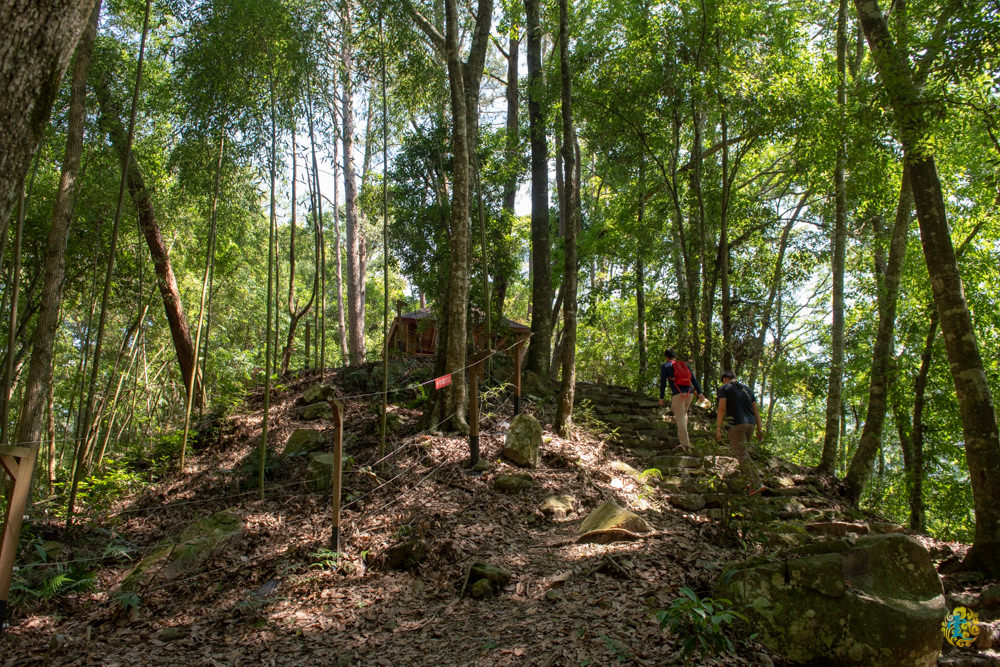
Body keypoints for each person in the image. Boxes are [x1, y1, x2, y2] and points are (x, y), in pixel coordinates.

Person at [715, 370, 765, 495]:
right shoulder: (747, 389)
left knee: (742, 454)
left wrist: (718, 429)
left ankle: (756, 483)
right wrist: (760, 429)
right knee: (742, 453)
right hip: (751, 424)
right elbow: (756, 410)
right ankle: (749, 484)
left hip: (737, 423)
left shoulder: (724, 388)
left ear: (725, 379)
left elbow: (721, 408)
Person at [659, 349, 706, 452]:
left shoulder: (666, 366)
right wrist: (700, 393)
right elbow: (693, 379)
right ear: (675, 356)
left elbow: (663, 382)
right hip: (690, 393)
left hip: (678, 393)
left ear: (666, 357)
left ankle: (685, 444)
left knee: (680, 417)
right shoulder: (684, 364)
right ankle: (685, 441)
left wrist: (661, 397)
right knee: (683, 415)